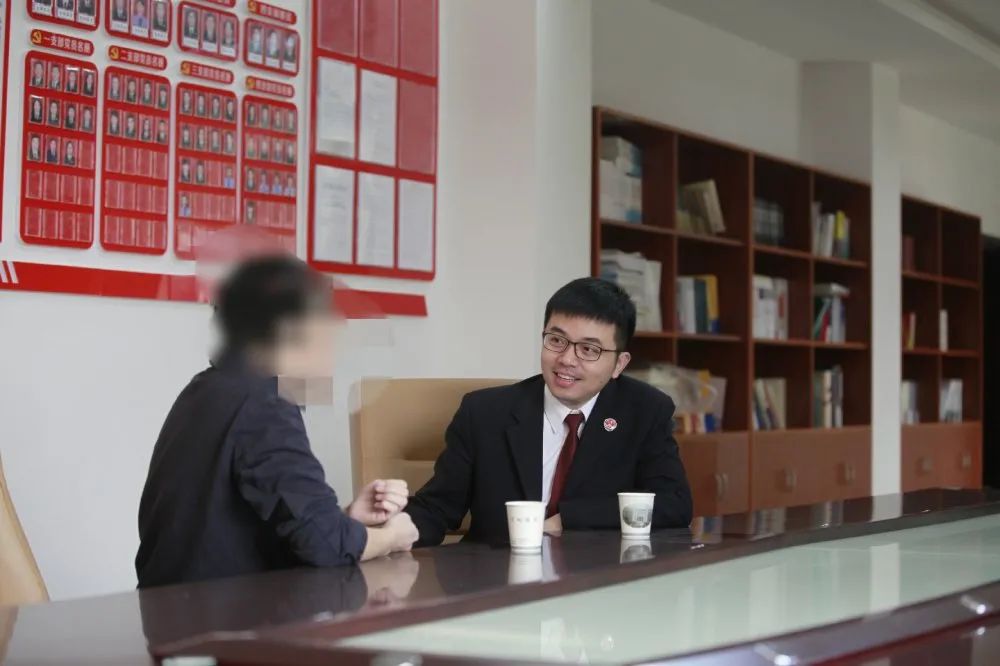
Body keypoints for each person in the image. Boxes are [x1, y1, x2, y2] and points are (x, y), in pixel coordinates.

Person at [135, 256, 418, 587]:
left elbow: (278, 529)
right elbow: (325, 544)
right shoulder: (266, 403)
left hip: (176, 608)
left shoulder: (207, 388)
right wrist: (391, 537)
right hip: (221, 613)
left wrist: (346, 519)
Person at [405, 278, 692, 546]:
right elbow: (436, 508)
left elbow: (673, 504)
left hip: (596, 576)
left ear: (619, 364)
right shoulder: (484, 413)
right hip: (495, 574)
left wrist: (568, 519)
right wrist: (386, 529)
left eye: (588, 349)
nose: (566, 359)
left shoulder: (644, 411)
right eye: (556, 340)